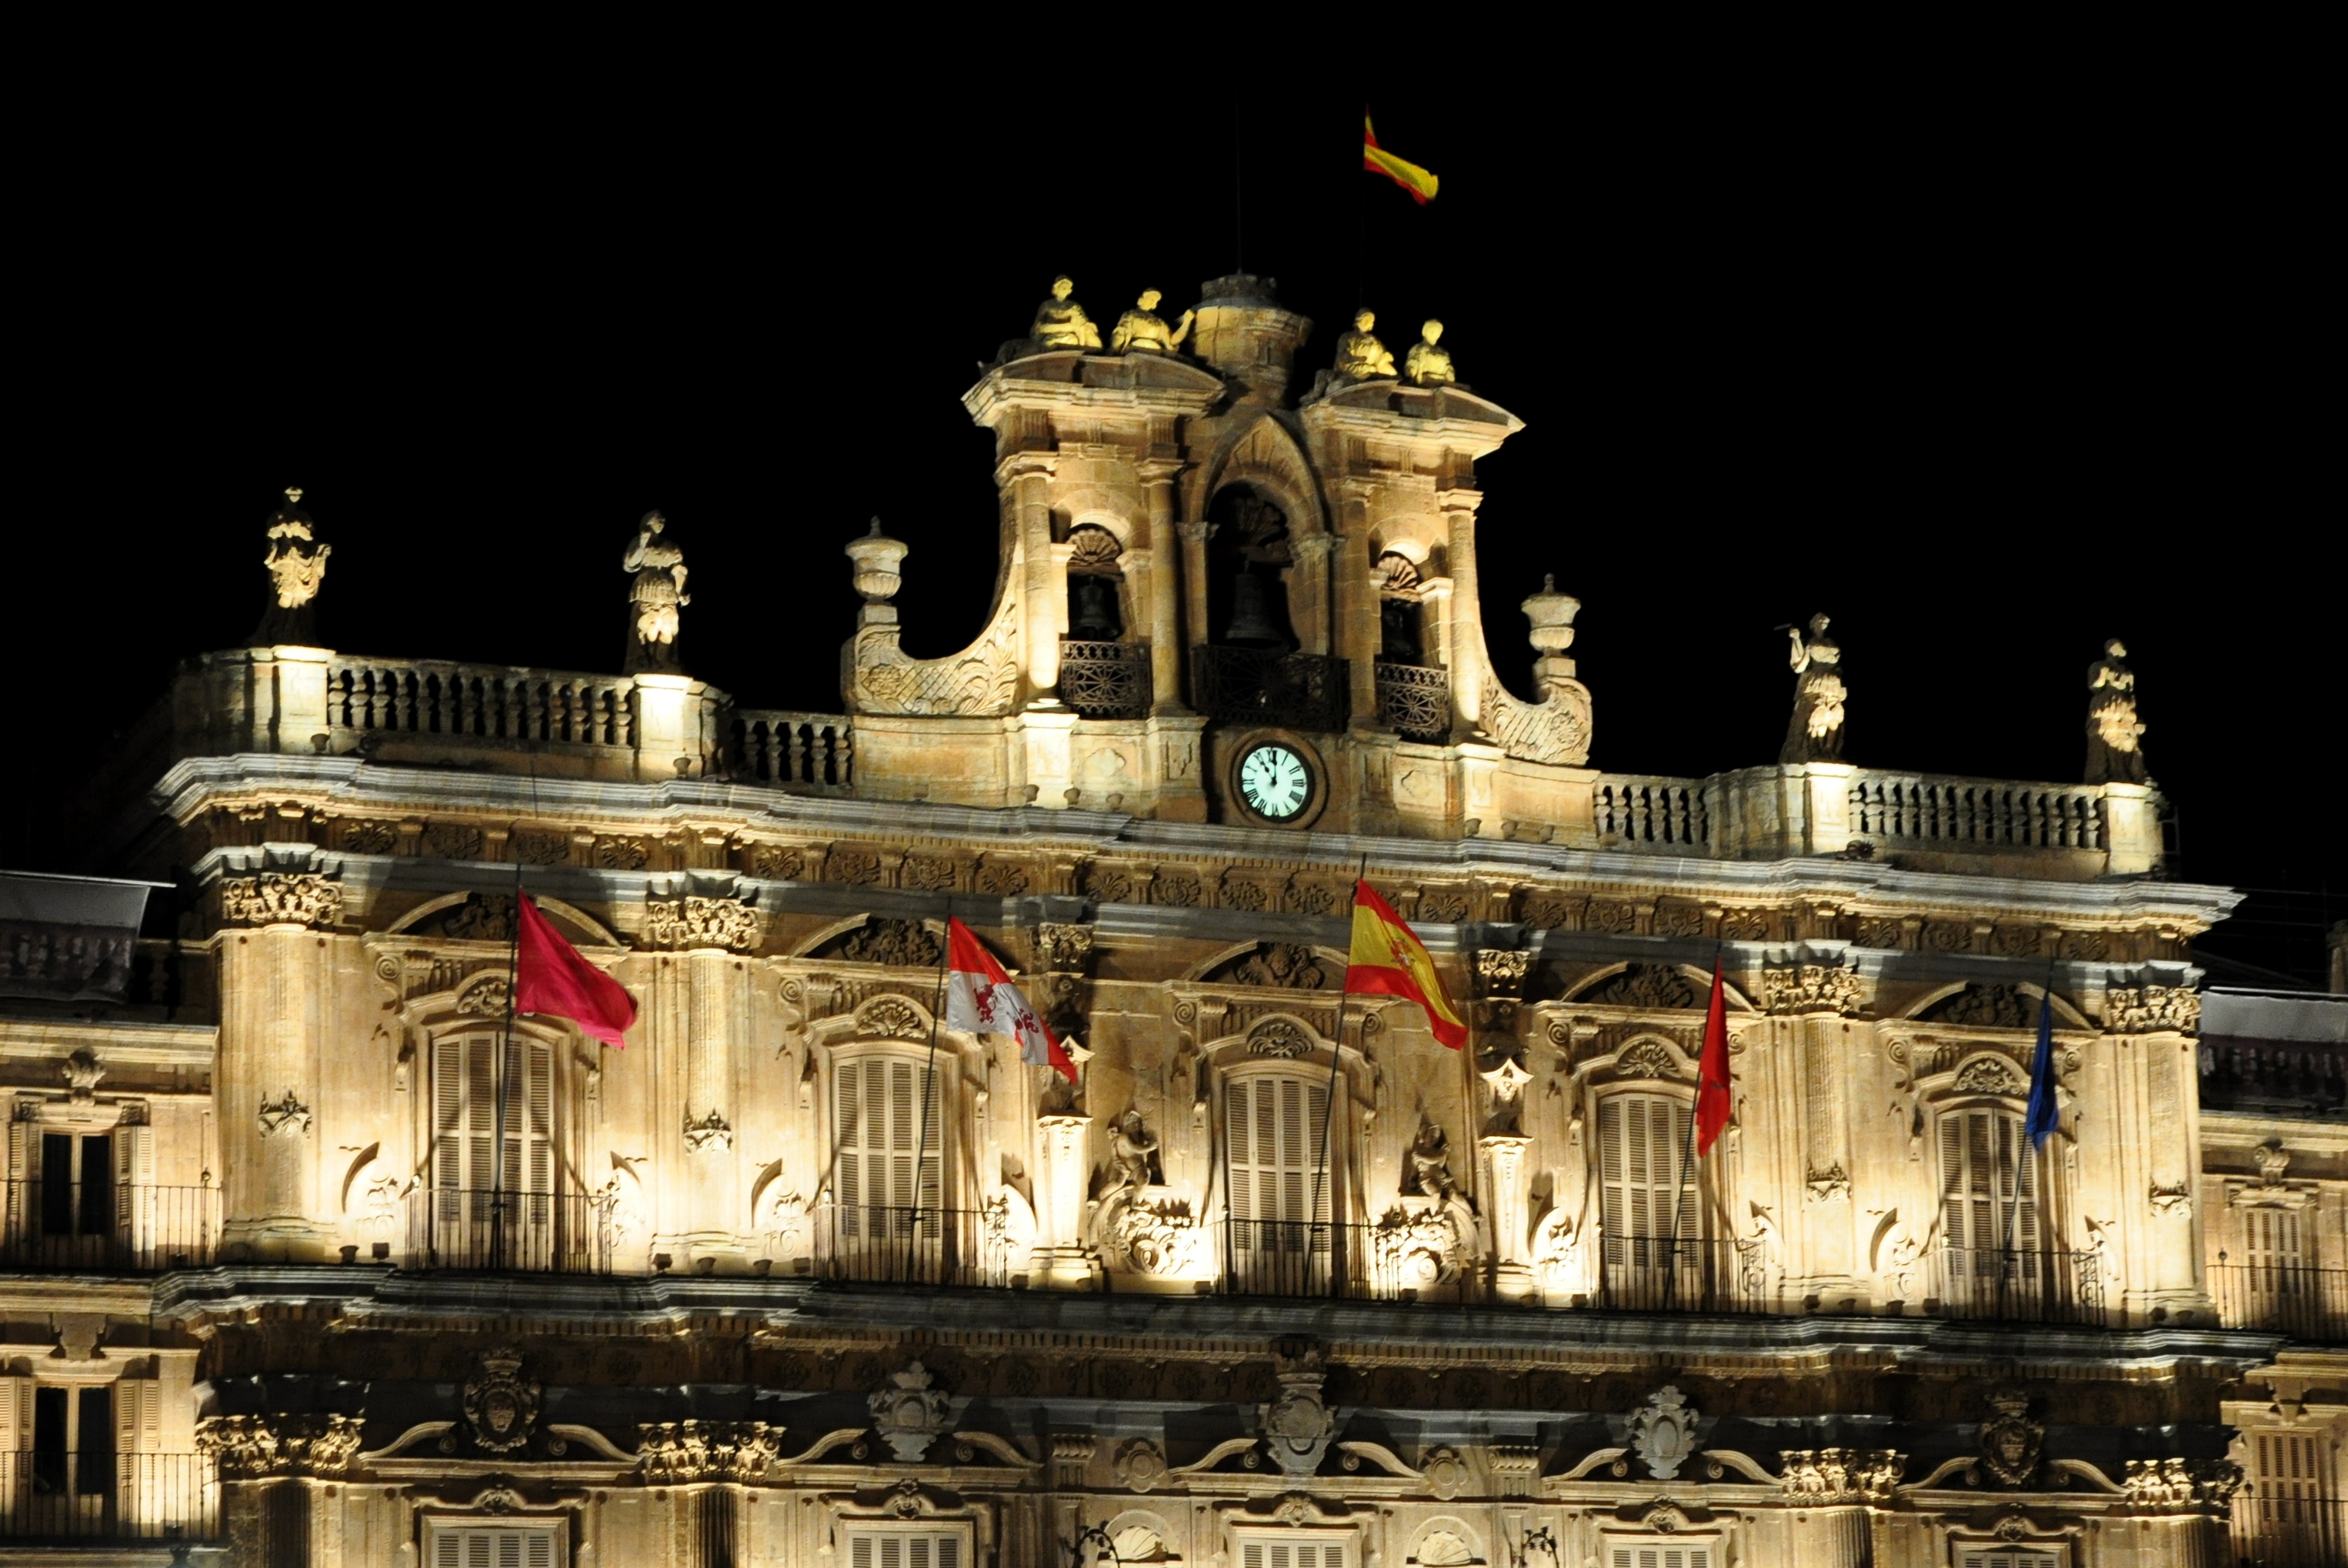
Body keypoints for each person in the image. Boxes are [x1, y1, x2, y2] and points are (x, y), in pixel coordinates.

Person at [623, 512, 690, 674]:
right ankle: (642, 659)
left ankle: (665, 660)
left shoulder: (671, 546)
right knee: (647, 623)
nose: (659, 524)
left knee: (669, 622)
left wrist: (680, 592)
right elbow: (629, 564)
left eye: (661, 521)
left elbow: (679, 570)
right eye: (655, 521)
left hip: (667, 590)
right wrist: (642, 544)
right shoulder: (639, 542)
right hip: (646, 587)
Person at [1779, 613, 1846, 763]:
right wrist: (1796, 640)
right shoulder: (1810, 643)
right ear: (1813, 625)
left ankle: (1829, 750)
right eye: (1819, 622)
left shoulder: (1831, 642)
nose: (1823, 624)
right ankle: (1814, 750)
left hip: (1832, 682)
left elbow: (1837, 667)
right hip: (1816, 682)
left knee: (1835, 717)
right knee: (1817, 716)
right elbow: (1799, 666)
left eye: (1825, 622)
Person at [2083, 639, 2150, 783]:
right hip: (2106, 704)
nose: (2122, 649)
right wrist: (2103, 676)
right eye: (2118, 646)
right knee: (2106, 735)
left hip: (2124, 707)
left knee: (2127, 739)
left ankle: (2125, 773)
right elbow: (2094, 686)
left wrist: (2137, 717)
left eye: (2122, 647)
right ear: (2110, 649)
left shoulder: (2127, 671)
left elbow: (2131, 693)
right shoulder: (2098, 665)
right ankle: (2105, 773)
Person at [1109, 289, 1193, 354]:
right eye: (1150, 298)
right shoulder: (1131, 314)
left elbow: (1171, 341)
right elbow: (1121, 332)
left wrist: (1187, 322)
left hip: (1156, 353)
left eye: (1155, 300)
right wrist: (1115, 349)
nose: (1153, 302)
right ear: (1141, 300)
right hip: (1135, 350)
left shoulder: (1159, 322)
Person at [1029, 275, 1102, 351]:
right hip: (1052, 337)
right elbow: (1037, 328)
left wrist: (1087, 324)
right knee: (1052, 344)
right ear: (1056, 289)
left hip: (1070, 337)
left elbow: (1083, 321)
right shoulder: (1047, 305)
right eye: (1063, 288)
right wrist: (1066, 326)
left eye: (1068, 288)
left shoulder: (1074, 305)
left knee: (1075, 340)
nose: (1065, 291)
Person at [1332, 309, 1398, 380]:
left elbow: (1380, 354)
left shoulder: (1373, 339)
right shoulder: (1348, 337)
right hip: (1355, 367)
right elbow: (1343, 356)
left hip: (1375, 367)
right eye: (1366, 320)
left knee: (1394, 374)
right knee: (1369, 374)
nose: (1369, 323)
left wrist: (1385, 357)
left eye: (1370, 321)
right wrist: (1357, 359)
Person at [1402, 319, 1456, 385]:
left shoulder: (1443, 352)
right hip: (1423, 379)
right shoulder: (1417, 348)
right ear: (1424, 332)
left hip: (1441, 380)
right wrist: (1412, 371)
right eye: (1432, 331)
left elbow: (1448, 367)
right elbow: (1411, 364)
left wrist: (1450, 372)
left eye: (1437, 333)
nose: (1434, 334)